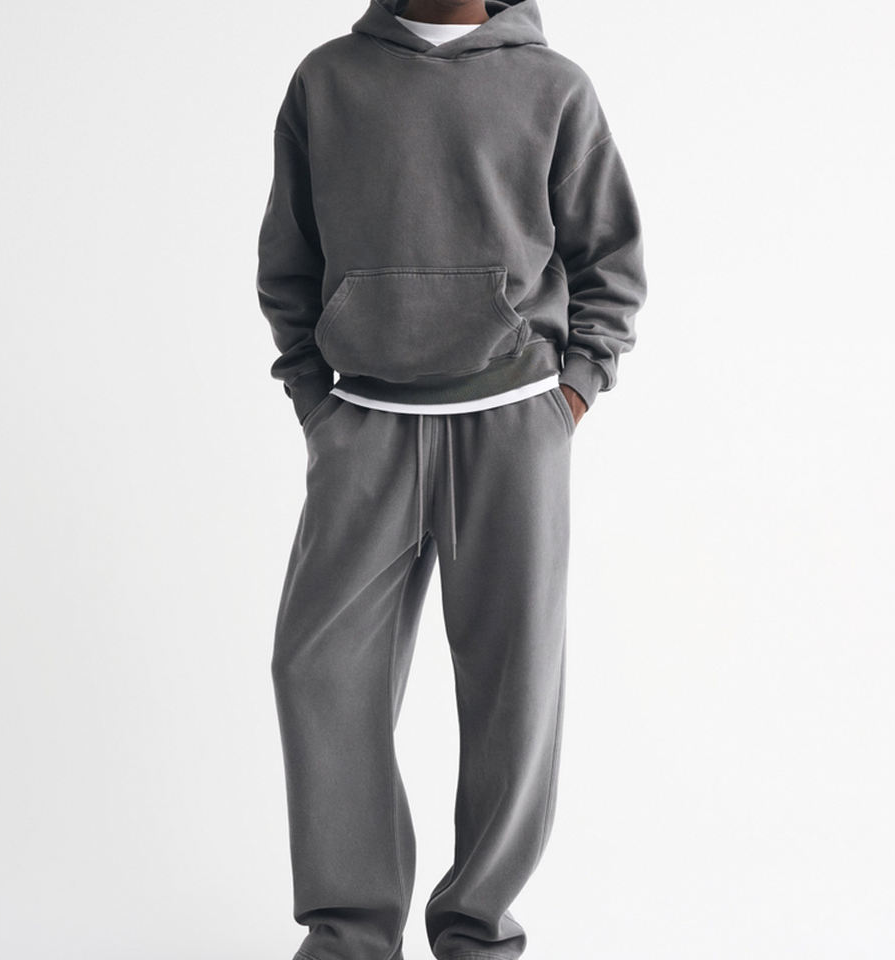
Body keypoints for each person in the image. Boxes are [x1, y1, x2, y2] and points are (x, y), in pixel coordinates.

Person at [255, 1, 647, 958]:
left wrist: (574, 393)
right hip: (366, 426)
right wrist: (315, 400)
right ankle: (350, 935)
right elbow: (288, 260)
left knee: (515, 687)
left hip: (513, 426)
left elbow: (611, 261)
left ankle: (476, 933)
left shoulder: (554, 88)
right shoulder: (327, 80)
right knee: (318, 672)